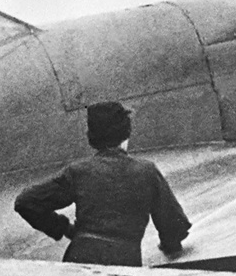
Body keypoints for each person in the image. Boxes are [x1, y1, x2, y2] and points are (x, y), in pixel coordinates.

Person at [14, 101, 191, 267]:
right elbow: (174, 225)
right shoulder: (147, 171)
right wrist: (170, 246)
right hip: (124, 259)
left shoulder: (78, 171)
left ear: (91, 137)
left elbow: (26, 202)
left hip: (79, 256)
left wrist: (64, 228)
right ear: (127, 133)